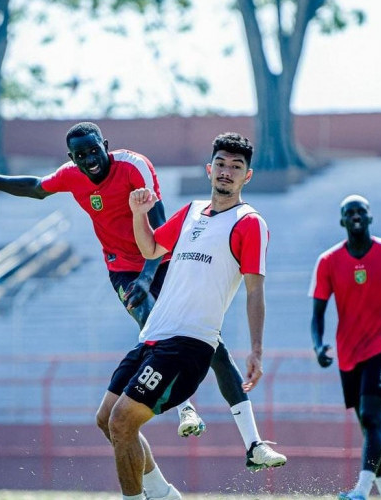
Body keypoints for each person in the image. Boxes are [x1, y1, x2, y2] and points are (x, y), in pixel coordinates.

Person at [0, 125, 285, 481]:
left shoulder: (133, 166)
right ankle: (186, 409)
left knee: (212, 346)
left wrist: (146, 274)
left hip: (161, 261)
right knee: (151, 324)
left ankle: (251, 442)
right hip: (122, 268)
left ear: (105, 146)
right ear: (72, 159)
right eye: (81, 156)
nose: (90, 160)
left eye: (95, 151)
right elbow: (34, 188)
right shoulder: (71, 176)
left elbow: (157, 229)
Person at [108, 131, 279, 500]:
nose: (226, 172)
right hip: (151, 337)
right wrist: (140, 214)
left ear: (247, 176)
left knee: (123, 421)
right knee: (107, 421)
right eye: (221, 164)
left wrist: (257, 350)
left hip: (188, 344)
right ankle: (163, 493)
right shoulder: (189, 212)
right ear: (209, 168)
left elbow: (254, 290)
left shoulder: (249, 223)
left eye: (236, 167)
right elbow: (151, 247)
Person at [309, 194, 381, 500]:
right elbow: (317, 314)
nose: (356, 216)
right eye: (349, 212)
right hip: (348, 353)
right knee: (368, 425)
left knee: (372, 418)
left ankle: (361, 490)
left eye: (361, 211)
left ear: (370, 218)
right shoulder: (328, 261)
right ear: (342, 221)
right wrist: (319, 347)